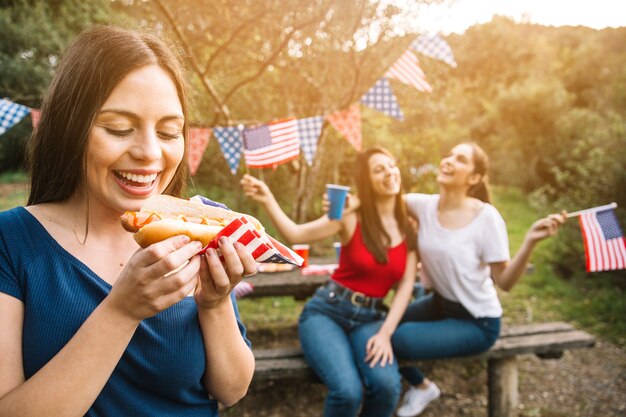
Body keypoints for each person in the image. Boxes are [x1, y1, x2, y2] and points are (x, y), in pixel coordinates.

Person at [0, 26, 256, 417]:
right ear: (72, 128)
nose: (150, 153)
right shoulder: (12, 242)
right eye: (119, 128)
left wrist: (216, 302)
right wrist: (122, 311)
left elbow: (231, 389)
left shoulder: (201, 225)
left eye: (169, 132)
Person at [391, 142, 566, 417]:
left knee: (397, 339)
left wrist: (530, 241)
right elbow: (381, 200)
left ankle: (421, 386)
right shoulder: (422, 205)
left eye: (460, 159)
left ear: (473, 178)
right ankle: (420, 385)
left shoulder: (487, 219)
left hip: (477, 321)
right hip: (440, 304)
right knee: (378, 327)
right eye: (448, 155)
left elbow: (505, 281)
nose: (448, 160)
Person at [240, 147, 418, 417]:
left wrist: (385, 333)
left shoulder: (409, 225)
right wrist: (268, 199)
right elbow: (295, 232)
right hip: (327, 313)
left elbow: (406, 285)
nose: (389, 172)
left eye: (391, 165)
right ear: (367, 180)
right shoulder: (348, 217)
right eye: (378, 169)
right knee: (347, 392)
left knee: (386, 386)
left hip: (371, 319)